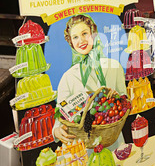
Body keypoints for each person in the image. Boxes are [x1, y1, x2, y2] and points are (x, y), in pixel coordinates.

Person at [53, 14, 127, 147]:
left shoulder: (115, 67)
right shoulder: (67, 77)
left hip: (112, 143)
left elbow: (127, 104)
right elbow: (61, 114)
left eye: (85, 33)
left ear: (93, 34)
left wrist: (118, 99)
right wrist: (56, 131)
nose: (81, 40)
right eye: (75, 37)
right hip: (81, 148)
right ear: (70, 42)